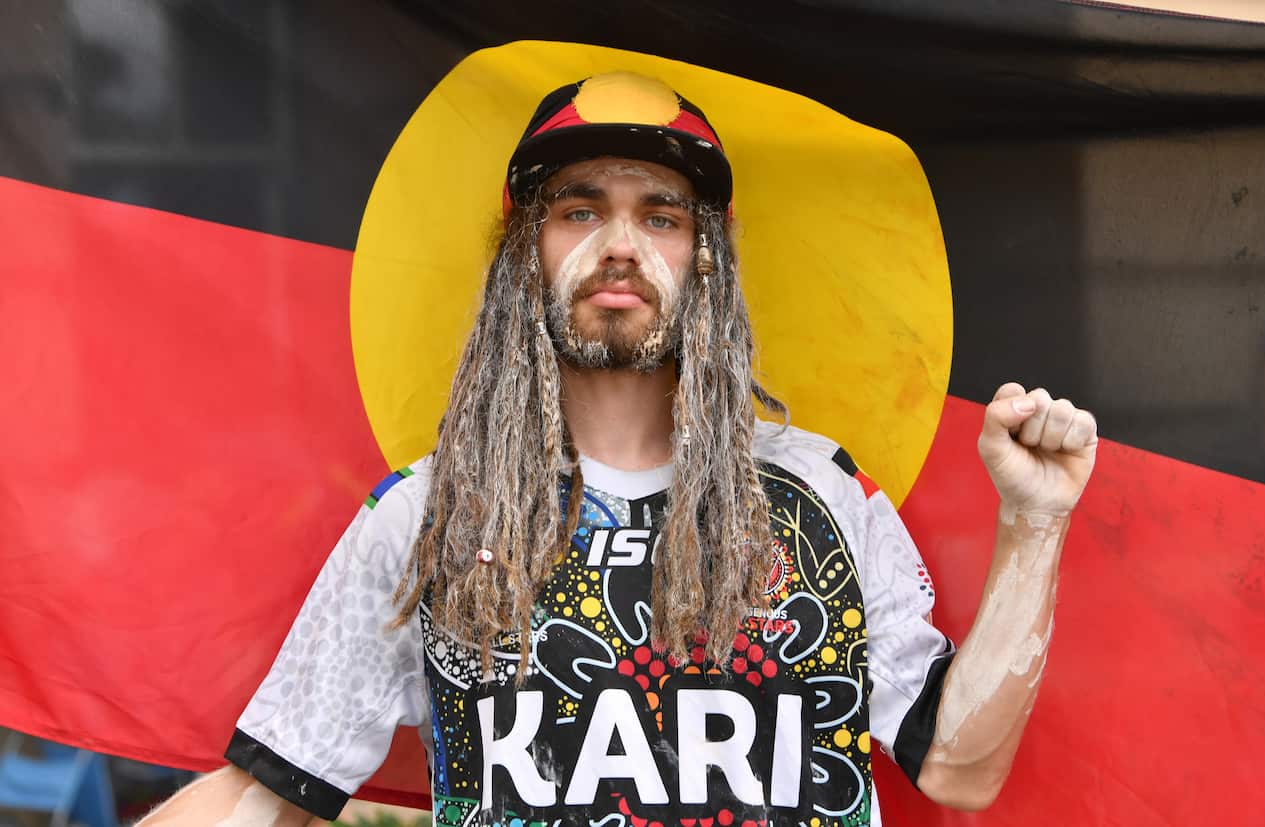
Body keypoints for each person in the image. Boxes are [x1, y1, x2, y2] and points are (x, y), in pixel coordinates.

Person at [138, 71, 1097, 827]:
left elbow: (958, 768)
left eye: (663, 217)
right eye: (580, 210)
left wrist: (1035, 519)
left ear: (707, 261)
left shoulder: (821, 501)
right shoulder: (435, 515)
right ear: (526, 254)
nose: (622, 244)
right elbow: (266, 792)